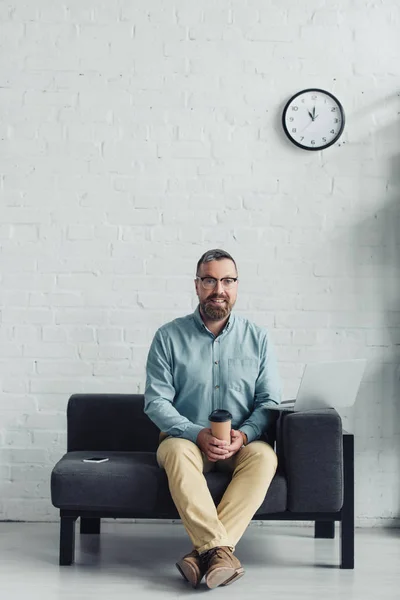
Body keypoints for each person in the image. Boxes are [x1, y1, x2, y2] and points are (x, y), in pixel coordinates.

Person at [144, 249, 282, 590]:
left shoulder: (258, 339)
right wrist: (196, 433)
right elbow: (156, 402)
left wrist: (245, 435)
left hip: (240, 445)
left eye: (227, 281)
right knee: (175, 451)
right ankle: (219, 552)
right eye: (209, 280)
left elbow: (269, 402)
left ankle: (203, 553)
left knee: (266, 456)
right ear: (197, 286)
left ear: (236, 287)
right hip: (186, 443)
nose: (218, 289)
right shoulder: (168, 336)